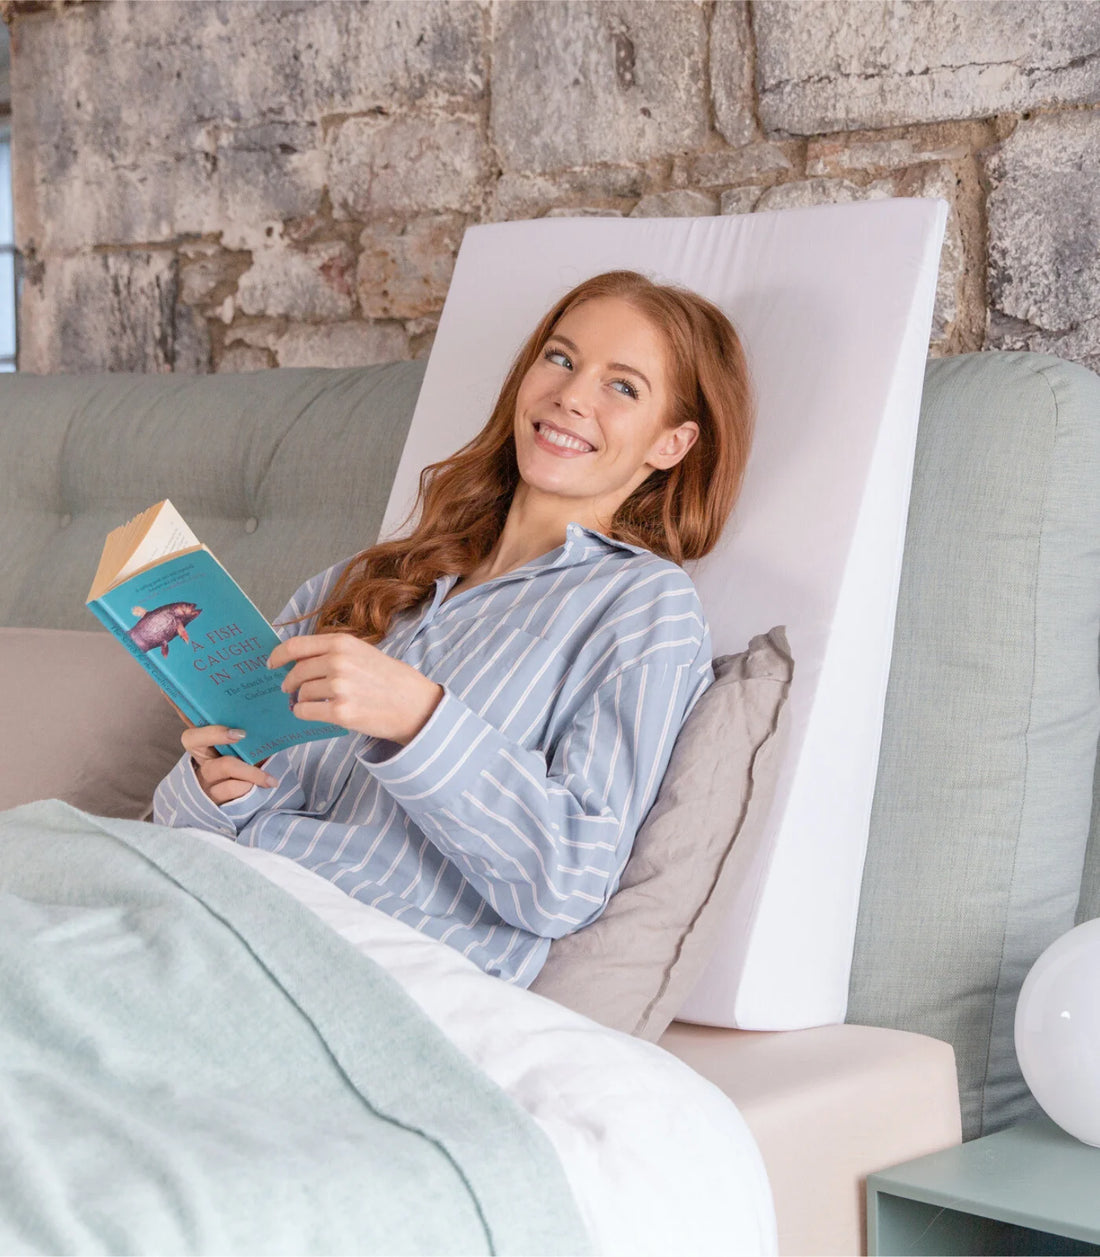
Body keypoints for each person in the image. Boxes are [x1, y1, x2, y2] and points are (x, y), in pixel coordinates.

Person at [153, 269, 754, 986]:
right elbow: (180, 821)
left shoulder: (644, 606)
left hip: (358, 964)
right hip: (202, 905)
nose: (570, 395)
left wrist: (418, 717)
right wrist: (216, 787)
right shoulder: (362, 578)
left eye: (623, 387)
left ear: (672, 443)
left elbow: (566, 880)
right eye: (560, 359)